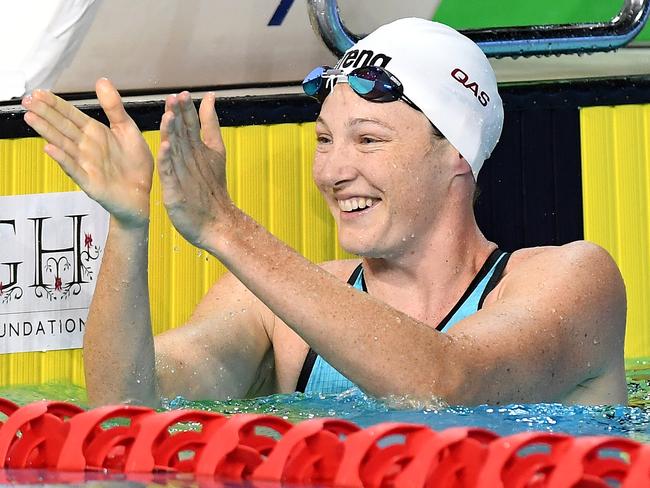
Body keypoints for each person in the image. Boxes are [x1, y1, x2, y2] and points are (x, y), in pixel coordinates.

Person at [21, 18, 627, 407]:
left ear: (457, 155)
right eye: (324, 139)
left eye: (368, 140)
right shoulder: (270, 311)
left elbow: (447, 384)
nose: (333, 171)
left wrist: (226, 226)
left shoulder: (571, 280)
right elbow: (126, 406)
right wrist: (127, 228)